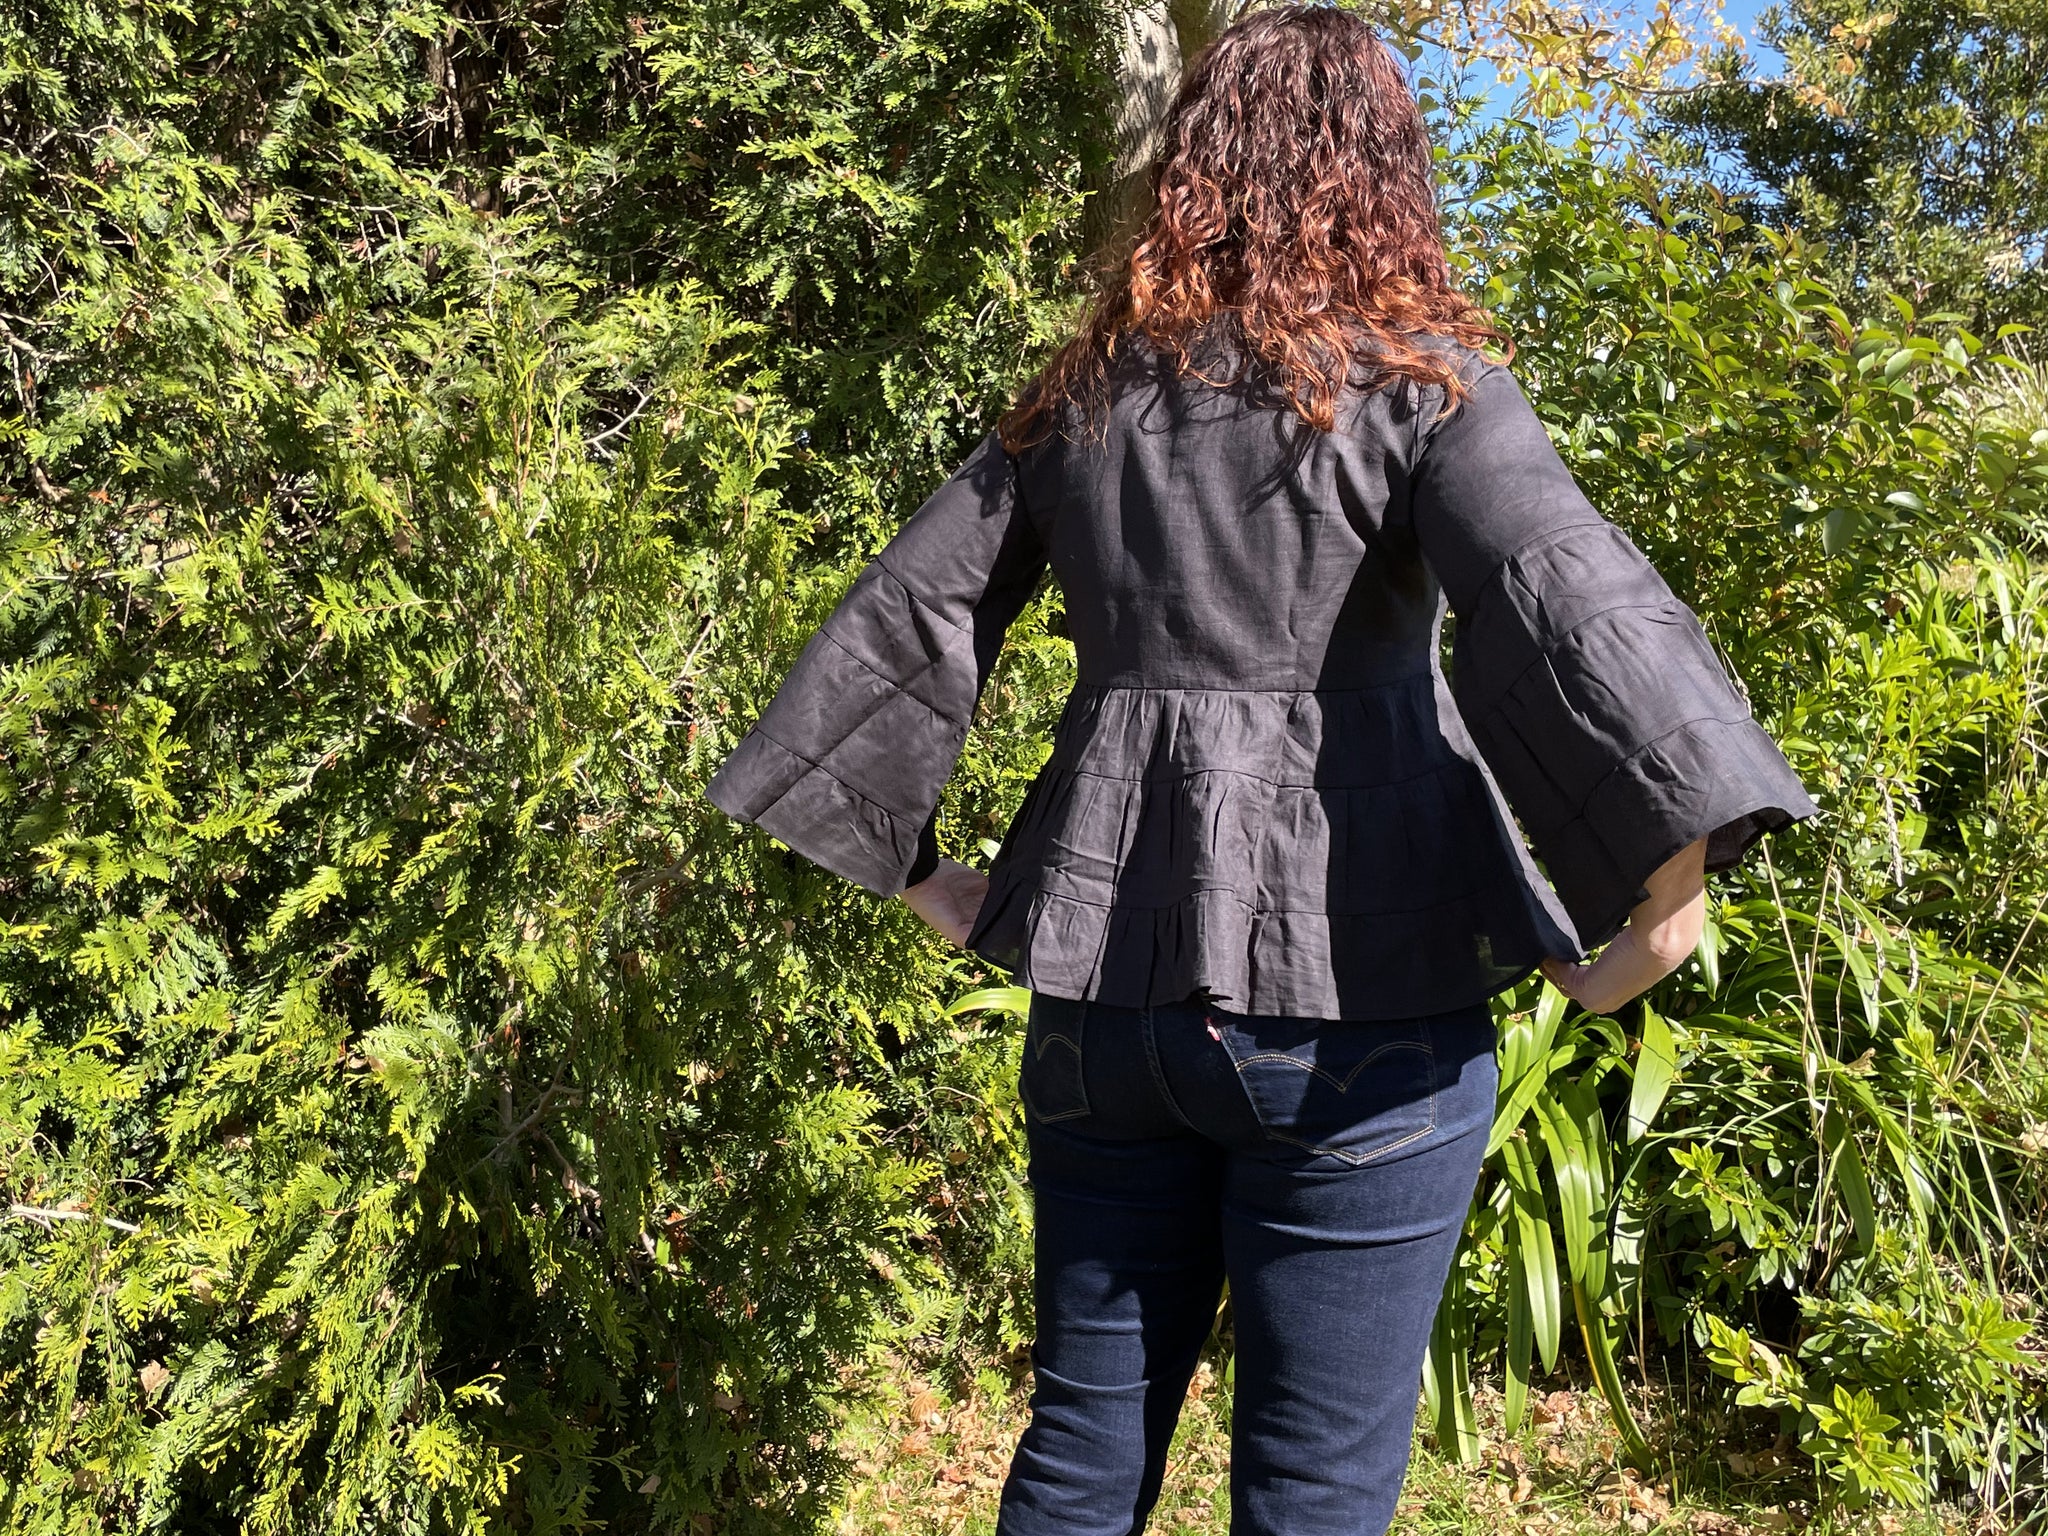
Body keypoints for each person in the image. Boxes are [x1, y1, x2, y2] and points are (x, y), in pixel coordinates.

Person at [704, 6, 1816, 1533]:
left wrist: (920, 873)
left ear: (1194, 170)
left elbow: (915, 607)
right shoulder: (1425, 391)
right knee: (1312, 1491)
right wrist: (1663, 903)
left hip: (1109, 1003)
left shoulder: (1085, 396)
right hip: (1370, 1010)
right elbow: (1567, 590)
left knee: (1084, 1455)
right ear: (1386, 172)